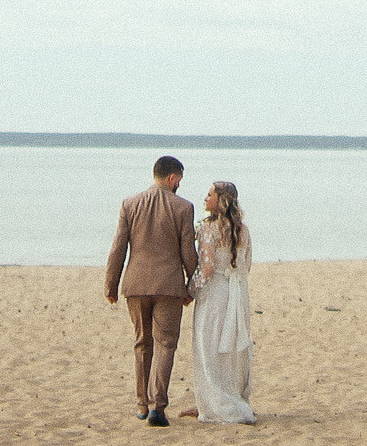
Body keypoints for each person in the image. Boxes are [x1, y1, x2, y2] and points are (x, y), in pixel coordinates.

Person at [104, 154, 197, 427]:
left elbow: (118, 248)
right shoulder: (183, 207)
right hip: (168, 285)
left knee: (142, 343)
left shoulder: (129, 204)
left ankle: (141, 404)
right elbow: (187, 252)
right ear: (173, 178)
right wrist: (193, 284)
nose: (179, 183)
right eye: (179, 179)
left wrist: (111, 285)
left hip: (135, 284)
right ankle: (159, 406)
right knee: (166, 344)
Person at [180, 180, 256, 424]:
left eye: (210, 194)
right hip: (237, 292)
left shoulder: (208, 229)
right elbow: (246, 265)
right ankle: (227, 397)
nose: (205, 198)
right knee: (233, 349)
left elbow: (208, 267)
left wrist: (189, 292)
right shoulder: (242, 229)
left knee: (208, 347)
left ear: (220, 200)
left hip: (215, 294)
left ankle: (215, 402)